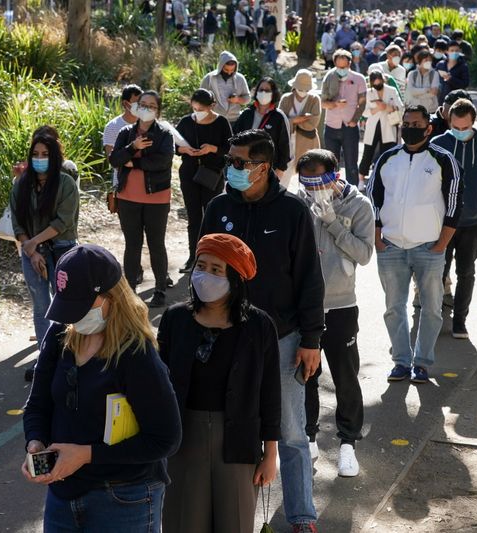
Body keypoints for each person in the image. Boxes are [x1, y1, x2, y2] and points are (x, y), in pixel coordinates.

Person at [200, 130, 324, 532]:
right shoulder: (218, 207)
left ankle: (301, 515)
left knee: (289, 431)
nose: (231, 169)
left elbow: (309, 278)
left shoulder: (292, 212)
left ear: (263, 167)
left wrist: (311, 340)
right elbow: (199, 265)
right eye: (228, 161)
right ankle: (234, 515)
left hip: (282, 337)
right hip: (224, 334)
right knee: (228, 427)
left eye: (239, 163)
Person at [22, 245, 181, 532]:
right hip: (63, 493)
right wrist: (35, 442)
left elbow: (166, 439)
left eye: (80, 306)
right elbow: (37, 404)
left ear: (111, 297)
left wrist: (86, 454)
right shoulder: (59, 335)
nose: (72, 318)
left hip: (124, 498)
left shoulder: (136, 353)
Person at [158, 233, 280, 533]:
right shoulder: (175, 320)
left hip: (239, 442)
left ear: (236, 279)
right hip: (183, 441)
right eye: (201, 266)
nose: (205, 276)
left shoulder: (259, 325)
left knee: (235, 524)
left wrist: (270, 453)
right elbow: (158, 386)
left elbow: (270, 392)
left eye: (216, 270)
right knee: (182, 522)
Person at [366, 105, 463, 384]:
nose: (410, 128)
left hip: (429, 248)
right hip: (391, 247)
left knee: (431, 309)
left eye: (416, 123)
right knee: (394, 308)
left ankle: (421, 363)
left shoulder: (443, 159)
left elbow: (455, 205)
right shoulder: (387, 158)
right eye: (406, 124)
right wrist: (377, 239)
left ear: (428, 127)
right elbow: (372, 198)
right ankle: (401, 362)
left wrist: (440, 245)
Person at [296, 149, 374, 478]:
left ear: (335, 174)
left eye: (320, 180)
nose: (314, 188)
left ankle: (347, 443)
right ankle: (309, 437)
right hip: (304, 307)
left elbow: (365, 253)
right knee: (305, 375)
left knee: (345, 376)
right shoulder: (298, 202)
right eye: (307, 182)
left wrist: (331, 223)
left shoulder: (358, 205)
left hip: (342, 305)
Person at [11, 133, 80, 380]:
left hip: (61, 247)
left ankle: (69, 357)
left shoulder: (65, 183)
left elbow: (63, 221)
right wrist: (31, 249)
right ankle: (45, 357)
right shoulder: (21, 183)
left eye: (45, 155)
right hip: (32, 250)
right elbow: (17, 221)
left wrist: (33, 243)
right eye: (36, 155)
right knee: (41, 306)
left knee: (65, 305)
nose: (40, 159)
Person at [109, 90, 175, 308]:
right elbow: (115, 159)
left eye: (151, 106)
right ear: (136, 107)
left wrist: (134, 162)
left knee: (156, 245)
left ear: (158, 110)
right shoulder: (126, 133)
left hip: (157, 198)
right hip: (128, 197)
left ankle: (159, 289)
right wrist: (132, 148)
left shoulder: (165, 135)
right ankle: (130, 290)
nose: (146, 108)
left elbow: (162, 162)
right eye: (143, 104)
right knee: (132, 244)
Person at [431, 99, 477, 339]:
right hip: (441, 222)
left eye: (465, 128)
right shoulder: (438, 143)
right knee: (436, 272)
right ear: (449, 121)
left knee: (467, 271)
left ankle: (460, 321)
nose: (460, 132)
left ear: (473, 121)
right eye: (456, 127)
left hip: (473, 221)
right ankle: (431, 319)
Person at [176, 88, 232, 273]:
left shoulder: (221, 122)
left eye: (202, 108)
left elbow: (230, 148)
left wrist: (212, 149)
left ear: (212, 106)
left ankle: (212, 255)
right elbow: (175, 145)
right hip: (189, 172)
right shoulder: (186, 121)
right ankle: (194, 256)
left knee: (211, 215)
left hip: (212, 174)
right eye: (195, 107)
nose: (198, 111)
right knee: (193, 217)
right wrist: (184, 150)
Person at [321, 49, 367, 186]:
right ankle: (331, 190)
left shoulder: (359, 79)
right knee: (330, 162)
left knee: (351, 162)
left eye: (344, 67)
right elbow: (323, 103)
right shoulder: (329, 77)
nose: (341, 69)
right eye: (339, 67)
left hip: (349, 126)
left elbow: (363, 103)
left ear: (350, 64)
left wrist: (355, 120)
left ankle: (352, 192)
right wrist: (334, 104)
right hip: (331, 125)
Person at [233, 77, 291, 181]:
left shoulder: (278, 117)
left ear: (273, 93)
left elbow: (285, 145)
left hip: (268, 169)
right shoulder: (246, 114)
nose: (263, 92)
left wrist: (281, 169)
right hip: (244, 167)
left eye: (267, 90)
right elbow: (234, 138)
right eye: (261, 90)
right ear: (256, 92)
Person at [358, 70, 403, 190]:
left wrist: (386, 107)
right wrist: (377, 108)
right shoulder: (368, 93)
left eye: (380, 83)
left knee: (388, 153)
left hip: (388, 126)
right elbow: (364, 112)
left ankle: (386, 180)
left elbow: (400, 107)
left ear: (383, 80)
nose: (378, 86)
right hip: (373, 126)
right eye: (375, 84)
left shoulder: (391, 90)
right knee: (368, 153)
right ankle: (361, 180)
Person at [278, 69, 322, 189]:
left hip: (307, 141)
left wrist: (291, 121)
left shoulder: (314, 99)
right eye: (300, 88)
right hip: (287, 141)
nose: (303, 92)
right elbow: (279, 120)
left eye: (306, 89)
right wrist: (296, 120)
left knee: (308, 172)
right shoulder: (286, 99)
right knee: (284, 172)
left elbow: (313, 122)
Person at [103, 84, 143, 188]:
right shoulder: (112, 126)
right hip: (122, 184)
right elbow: (112, 160)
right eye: (137, 103)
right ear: (126, 104)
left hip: (146, 185)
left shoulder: (148, 125)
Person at [201, 51, 251, 124]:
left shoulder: (240, 78)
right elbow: (199, 99)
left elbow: (248, 98)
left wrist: (237, 99)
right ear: (221, 66)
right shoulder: (209, 78)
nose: (229, 73)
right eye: (226, 70)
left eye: (232, 70)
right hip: (214, 120)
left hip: (235, 120)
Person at [436, 41, 470, 105]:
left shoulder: (463, 66)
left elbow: (465, 83)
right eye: (452, 50)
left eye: (456, 50)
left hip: (456, 101)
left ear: (459, 51)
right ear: (447, 51)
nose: (454, 52)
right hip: (441, 100)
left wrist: (451, 79)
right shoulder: (440, 65)